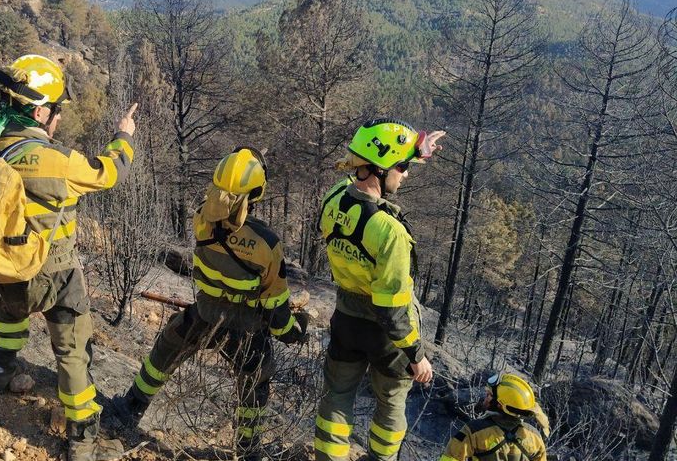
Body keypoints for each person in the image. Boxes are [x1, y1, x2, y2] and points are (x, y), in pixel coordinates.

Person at [0, 55, 137, 461]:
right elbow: (110, 172)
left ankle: (1, 371)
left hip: (4, 266)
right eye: (57, 110)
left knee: (9, 316)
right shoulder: (55, 160)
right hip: (55, 272)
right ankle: (83, 442)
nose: (59, 118)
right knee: (73, 352)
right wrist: (123, 135)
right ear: (40, 112)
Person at [113, 147, 307, 460]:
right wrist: (292, 332)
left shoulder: (202, 220)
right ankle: (247, 450)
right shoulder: (266, 243)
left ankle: (130, 407)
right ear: (257, 192)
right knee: (255, 382)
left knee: (165, 350)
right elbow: (276, 307)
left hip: (204, 314)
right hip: (246, 330)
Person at [314, 119, 445, 461]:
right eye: (402, 167)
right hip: (388, 337)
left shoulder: (333, 199)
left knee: (337, 396)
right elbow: (392, 310)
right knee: (390, 405)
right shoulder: (390, 232)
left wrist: (417, 150)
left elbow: (351, 174)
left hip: (346, 320)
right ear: (380, 169)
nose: (406, 174)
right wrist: (416, 355)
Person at [440, 372, 549, 461]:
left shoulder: (473, 431)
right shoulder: (535, 436)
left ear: (500, 405)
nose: (486, 398)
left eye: (490, 395)